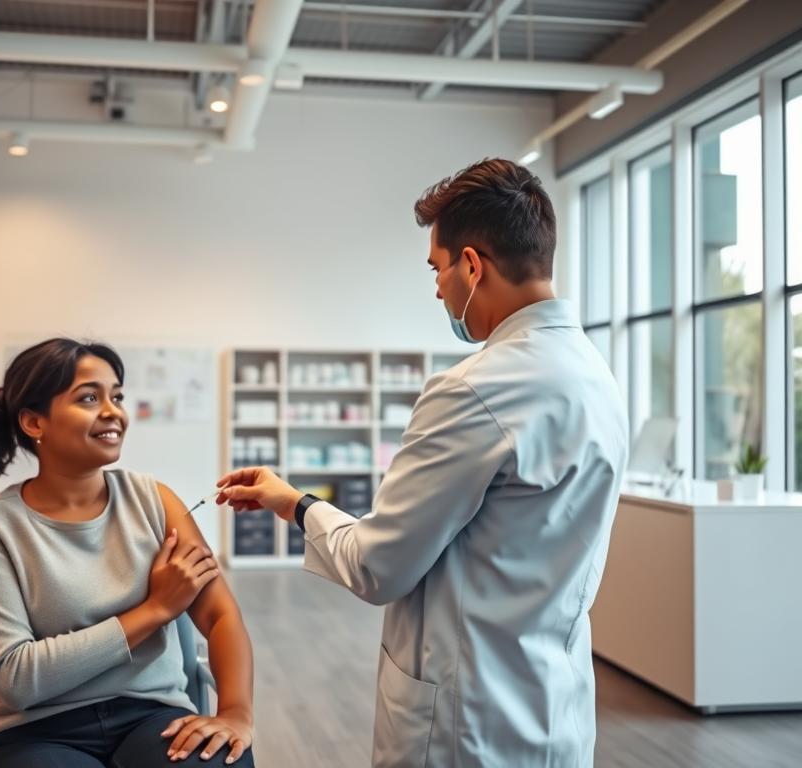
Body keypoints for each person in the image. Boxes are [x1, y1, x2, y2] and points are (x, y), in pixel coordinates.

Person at [218, 159, 629, 767]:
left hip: (468, 720)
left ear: (471, 264)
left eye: (437, 269)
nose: (438, 288)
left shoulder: (473, 389)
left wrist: (296, 504)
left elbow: (380, 567)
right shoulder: (596, 376)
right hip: (554, 704)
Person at [0, 338, 255, 768]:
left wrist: (235, 714)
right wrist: (155, 610)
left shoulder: (155, 501)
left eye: (117, 396)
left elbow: (220, 616)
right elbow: (17, 679)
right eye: (89, 398)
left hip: (150, 716)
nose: (113, 411)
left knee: (219, 760)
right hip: (25, 730)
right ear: (34, 422)